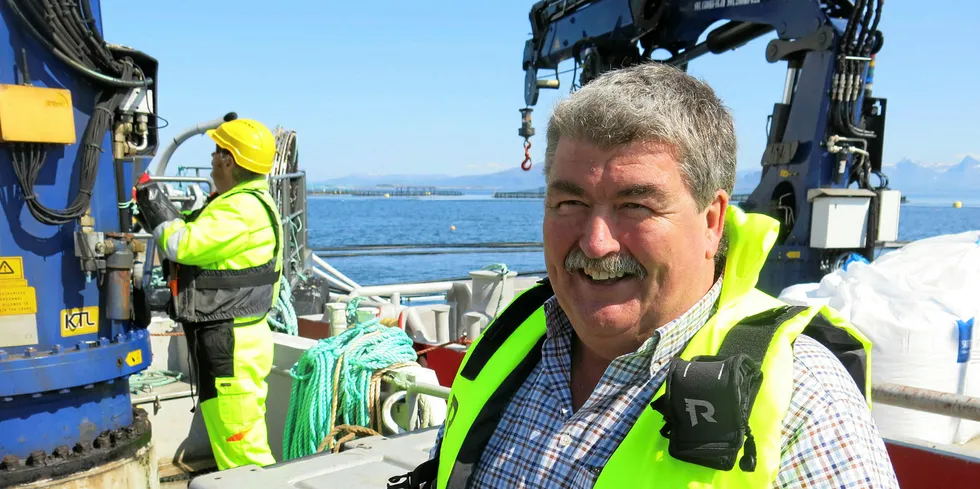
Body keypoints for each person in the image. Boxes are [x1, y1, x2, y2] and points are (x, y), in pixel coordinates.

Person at [411, 63, 899, 488]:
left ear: (711, 222)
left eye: (635, 206)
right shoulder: (508, 339)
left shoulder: (804, 399)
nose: (595, 242)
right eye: (571, 203)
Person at [135, 118, 283, 470]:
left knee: (243, 453)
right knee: (232, 444)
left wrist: (148, 199)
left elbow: (180, 243)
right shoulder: (242, 203)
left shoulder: (239, 209)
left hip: (232, 345)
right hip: (230, 341)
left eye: (217, 153)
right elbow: (195, 229)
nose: (213, 161)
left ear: (228, 160)